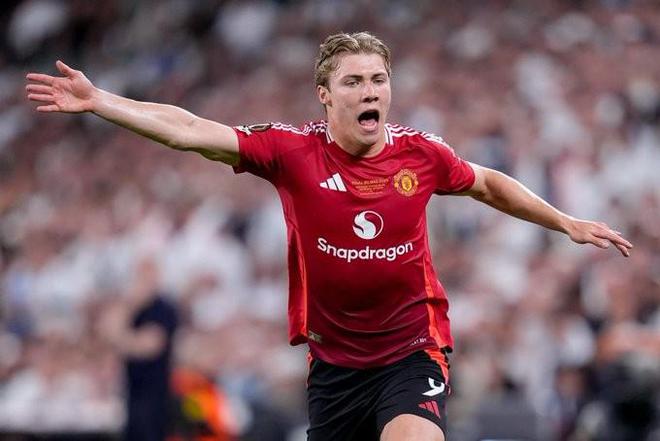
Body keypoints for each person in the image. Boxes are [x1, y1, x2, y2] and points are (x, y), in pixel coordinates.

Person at [26, 32, 632, 441]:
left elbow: (489, 185)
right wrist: (101, 101)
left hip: (411, 350)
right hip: (335, 367)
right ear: (325, 95)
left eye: (378, 79)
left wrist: (565, 221)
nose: (370, 91)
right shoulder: (290, 152)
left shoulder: (421, 155)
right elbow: (187, 129)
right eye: (354, 81)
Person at [97, 257, 179, 441]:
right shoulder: (129, 307)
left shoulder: (164, 309)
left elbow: (149, 346)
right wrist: (130, 305)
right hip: (131, 389)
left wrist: (121, 339)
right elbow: (106, 331)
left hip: (156, 393)